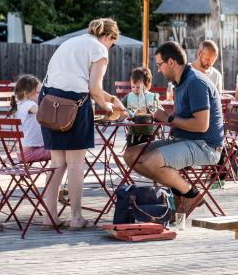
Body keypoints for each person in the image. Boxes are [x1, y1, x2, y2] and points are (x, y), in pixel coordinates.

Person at [40, 18, 125, 230]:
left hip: (50, 102)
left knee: (57, 164)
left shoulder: (71, 43)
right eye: (112, 44)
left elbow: (82, 83)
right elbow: (94, 89)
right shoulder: (99, 50)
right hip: (74, 106)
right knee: (76, 164)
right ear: (109, 37)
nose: (110, 48)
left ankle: (49, 216)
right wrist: (109, 108)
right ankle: (76, 218)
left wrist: (111, 98)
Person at [123, 42, 224, 215]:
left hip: (205, 146)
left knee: (150, 161)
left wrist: (168, 117)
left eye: (159, 65)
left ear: (171, 62)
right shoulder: (180, 82)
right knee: (131, 155)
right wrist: (157, 114)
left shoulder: (195, 82)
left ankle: (191, 195)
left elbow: (201, 125)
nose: (159, 70)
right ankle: (180, 191)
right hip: (183, 139)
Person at [9, 74, 50, 163]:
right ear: (26, 93)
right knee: (63, 152)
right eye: (38, 92)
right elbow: (43, 111)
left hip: (23, 152)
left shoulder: (19, 105)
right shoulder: (29, 105)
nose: (41, 95)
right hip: (30, 152)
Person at [122, 66, 159, 148]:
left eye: (138, 87)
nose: (135, 89)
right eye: (133, 87)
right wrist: (124, 112)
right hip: (132, 133)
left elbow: (158, 111)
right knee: (132, 153)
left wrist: (153, 108)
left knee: (147, 154)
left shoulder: (152, 97)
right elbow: (120, 106)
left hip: (148, 132)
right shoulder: (129, 96)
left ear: (148, 86)